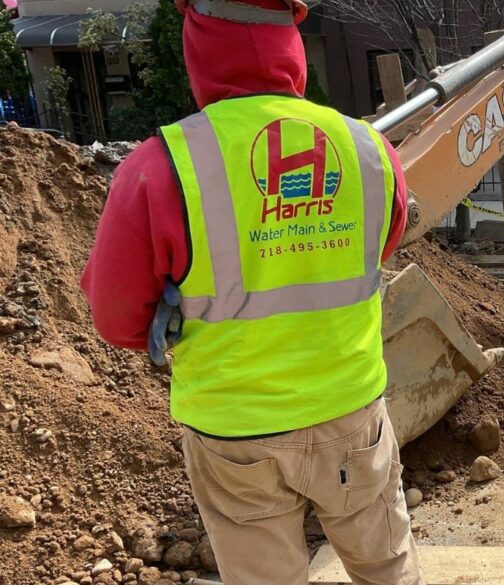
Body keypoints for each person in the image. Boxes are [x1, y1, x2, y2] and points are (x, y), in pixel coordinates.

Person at [80, 1, 422, 584]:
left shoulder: (160, 168)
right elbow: (377, 249)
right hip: (351, 412)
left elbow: (116, 317)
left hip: (235, 432)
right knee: (387, 569)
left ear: (197, 49)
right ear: (291, 42)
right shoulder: (370, 151)